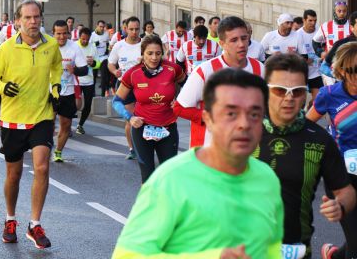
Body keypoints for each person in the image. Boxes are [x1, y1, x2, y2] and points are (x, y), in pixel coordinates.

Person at [113, 68, 283, 258]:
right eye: (231, 114)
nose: (244, 124)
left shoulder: (267, 179)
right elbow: (127, 255)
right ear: (208, 119)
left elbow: (271, 248)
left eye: (254, 114)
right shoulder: (170, 180)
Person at [255, 53, 355, 259]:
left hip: (295, 248)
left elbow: (345, 191)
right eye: (280, 90)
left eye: (298, 91)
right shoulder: (241, 132)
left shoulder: (319, 140)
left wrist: (340, 206)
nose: (289, 98)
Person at [0, 0, 62, 249]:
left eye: (36, 17)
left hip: (42, 115)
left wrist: (56, 85)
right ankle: (10, 219)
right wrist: (3, 87)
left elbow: (56, 67)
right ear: (18, 21)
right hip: (13, 119)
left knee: (41, 167)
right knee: (14, 174)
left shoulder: (50, 45)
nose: (32, 22)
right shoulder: (6, 49)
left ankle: (35, 224)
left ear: (41, 18)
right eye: (27, 18)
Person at [174, 16, 264, 147]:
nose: (241, 44)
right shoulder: (204, 71)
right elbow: (179, 108)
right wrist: (212, 117)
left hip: (247, 151)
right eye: (234, 40)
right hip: (208, 150)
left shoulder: (260, 69)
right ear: (222, 44)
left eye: (244, 38)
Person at [306, 42, 357, 259]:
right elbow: (306, 125)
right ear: (343, 71)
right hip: (341, 178)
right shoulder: (329, 95)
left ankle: (334, 255)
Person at [112, 35, 184, 182]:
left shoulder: (172, 69)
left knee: (169, 177)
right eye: (149, 53)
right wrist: (130, 117)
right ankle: (149, 205)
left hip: (168, 128)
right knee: (148, 177)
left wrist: (180, 101)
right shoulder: (133, 73)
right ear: (142, 54)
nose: (154, 58)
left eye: (158, 53)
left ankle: (166, 205)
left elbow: (189, 86)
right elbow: (116, 101)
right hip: (142, 129)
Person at [52, 20, 88, 162]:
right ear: (53, 34)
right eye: (58, 34)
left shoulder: (74, 47)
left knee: (65, 125)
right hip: (50, 91)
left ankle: (58, 152)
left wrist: (75, 70)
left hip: (68, 91)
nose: (61, 37)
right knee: (47, 124)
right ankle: (45, 148)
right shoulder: (47, 46)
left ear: (68, 33)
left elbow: (84, 69)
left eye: (64, 33)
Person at [108, 16, 142, 159]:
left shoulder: (145, 44)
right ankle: (132, 148)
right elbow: (110, 63)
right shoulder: (119, 45)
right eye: (131, 29)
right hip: (125, 85)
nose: (134, 32)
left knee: (145, 116)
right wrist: (115, 71)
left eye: (137, 29)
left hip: (143, 85)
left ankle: (146, 143)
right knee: (131, 118)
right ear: (126, 29)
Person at [76, 27, 100, 135]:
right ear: (79, 37)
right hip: (76, 80)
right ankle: (67, 125)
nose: (85, 41)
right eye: (83, 39)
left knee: (88, 105)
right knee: (74, 105)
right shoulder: (74, 46)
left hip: (89, 80)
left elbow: (98, 63)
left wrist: (93, 63)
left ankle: (80, 125)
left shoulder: (92, 47)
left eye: (87, 39)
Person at [296, 9, 323, 105]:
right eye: (310, 20)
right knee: (300, 102)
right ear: (304, 20)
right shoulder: (297, 34)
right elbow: (294, 53)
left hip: (316, 72)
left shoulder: (320, 31)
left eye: (315, 21)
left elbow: (324, 47)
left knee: (317, 100)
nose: (313, 23)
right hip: (302, 72)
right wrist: (303, 60)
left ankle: (310, 110)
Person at [89, 20, 111, 96]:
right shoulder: (92, 35)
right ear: (97, 26)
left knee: (104, 75)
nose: (102, 28)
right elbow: (89, 46)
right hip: (95, 57)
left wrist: (108, 50)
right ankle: (93, 92)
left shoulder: (106, 34)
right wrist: (95, 44)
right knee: (94, 76)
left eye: (103, 27)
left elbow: (108, 43)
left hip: (103, 57)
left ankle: (103, 92)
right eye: (100, 26)